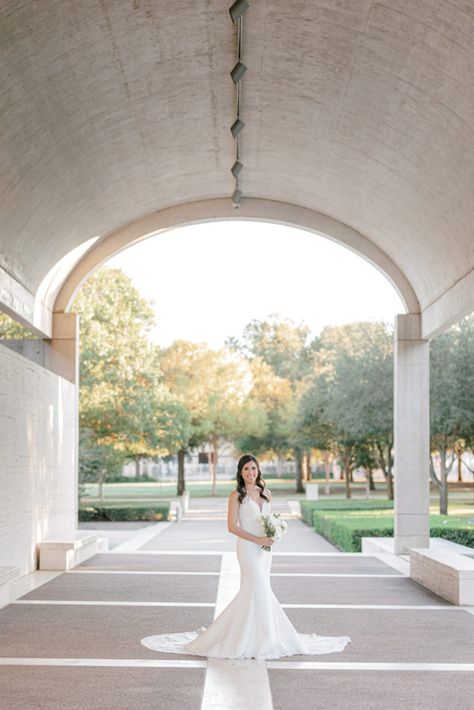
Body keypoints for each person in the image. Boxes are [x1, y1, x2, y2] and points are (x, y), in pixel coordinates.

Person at [140, 453, 351, 659]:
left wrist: (273, 534)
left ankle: (263, 636)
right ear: (240, 473)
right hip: (248, 549)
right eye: (246, 469)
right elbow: (231, 527)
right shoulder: (236, 496)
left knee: (259, 590)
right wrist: (257, 540)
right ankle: (249, 639)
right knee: (255, 586)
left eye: (253, 468)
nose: (250, 472)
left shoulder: (266, 492)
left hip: (265, 550)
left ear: (258, 470)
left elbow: (270, 519)